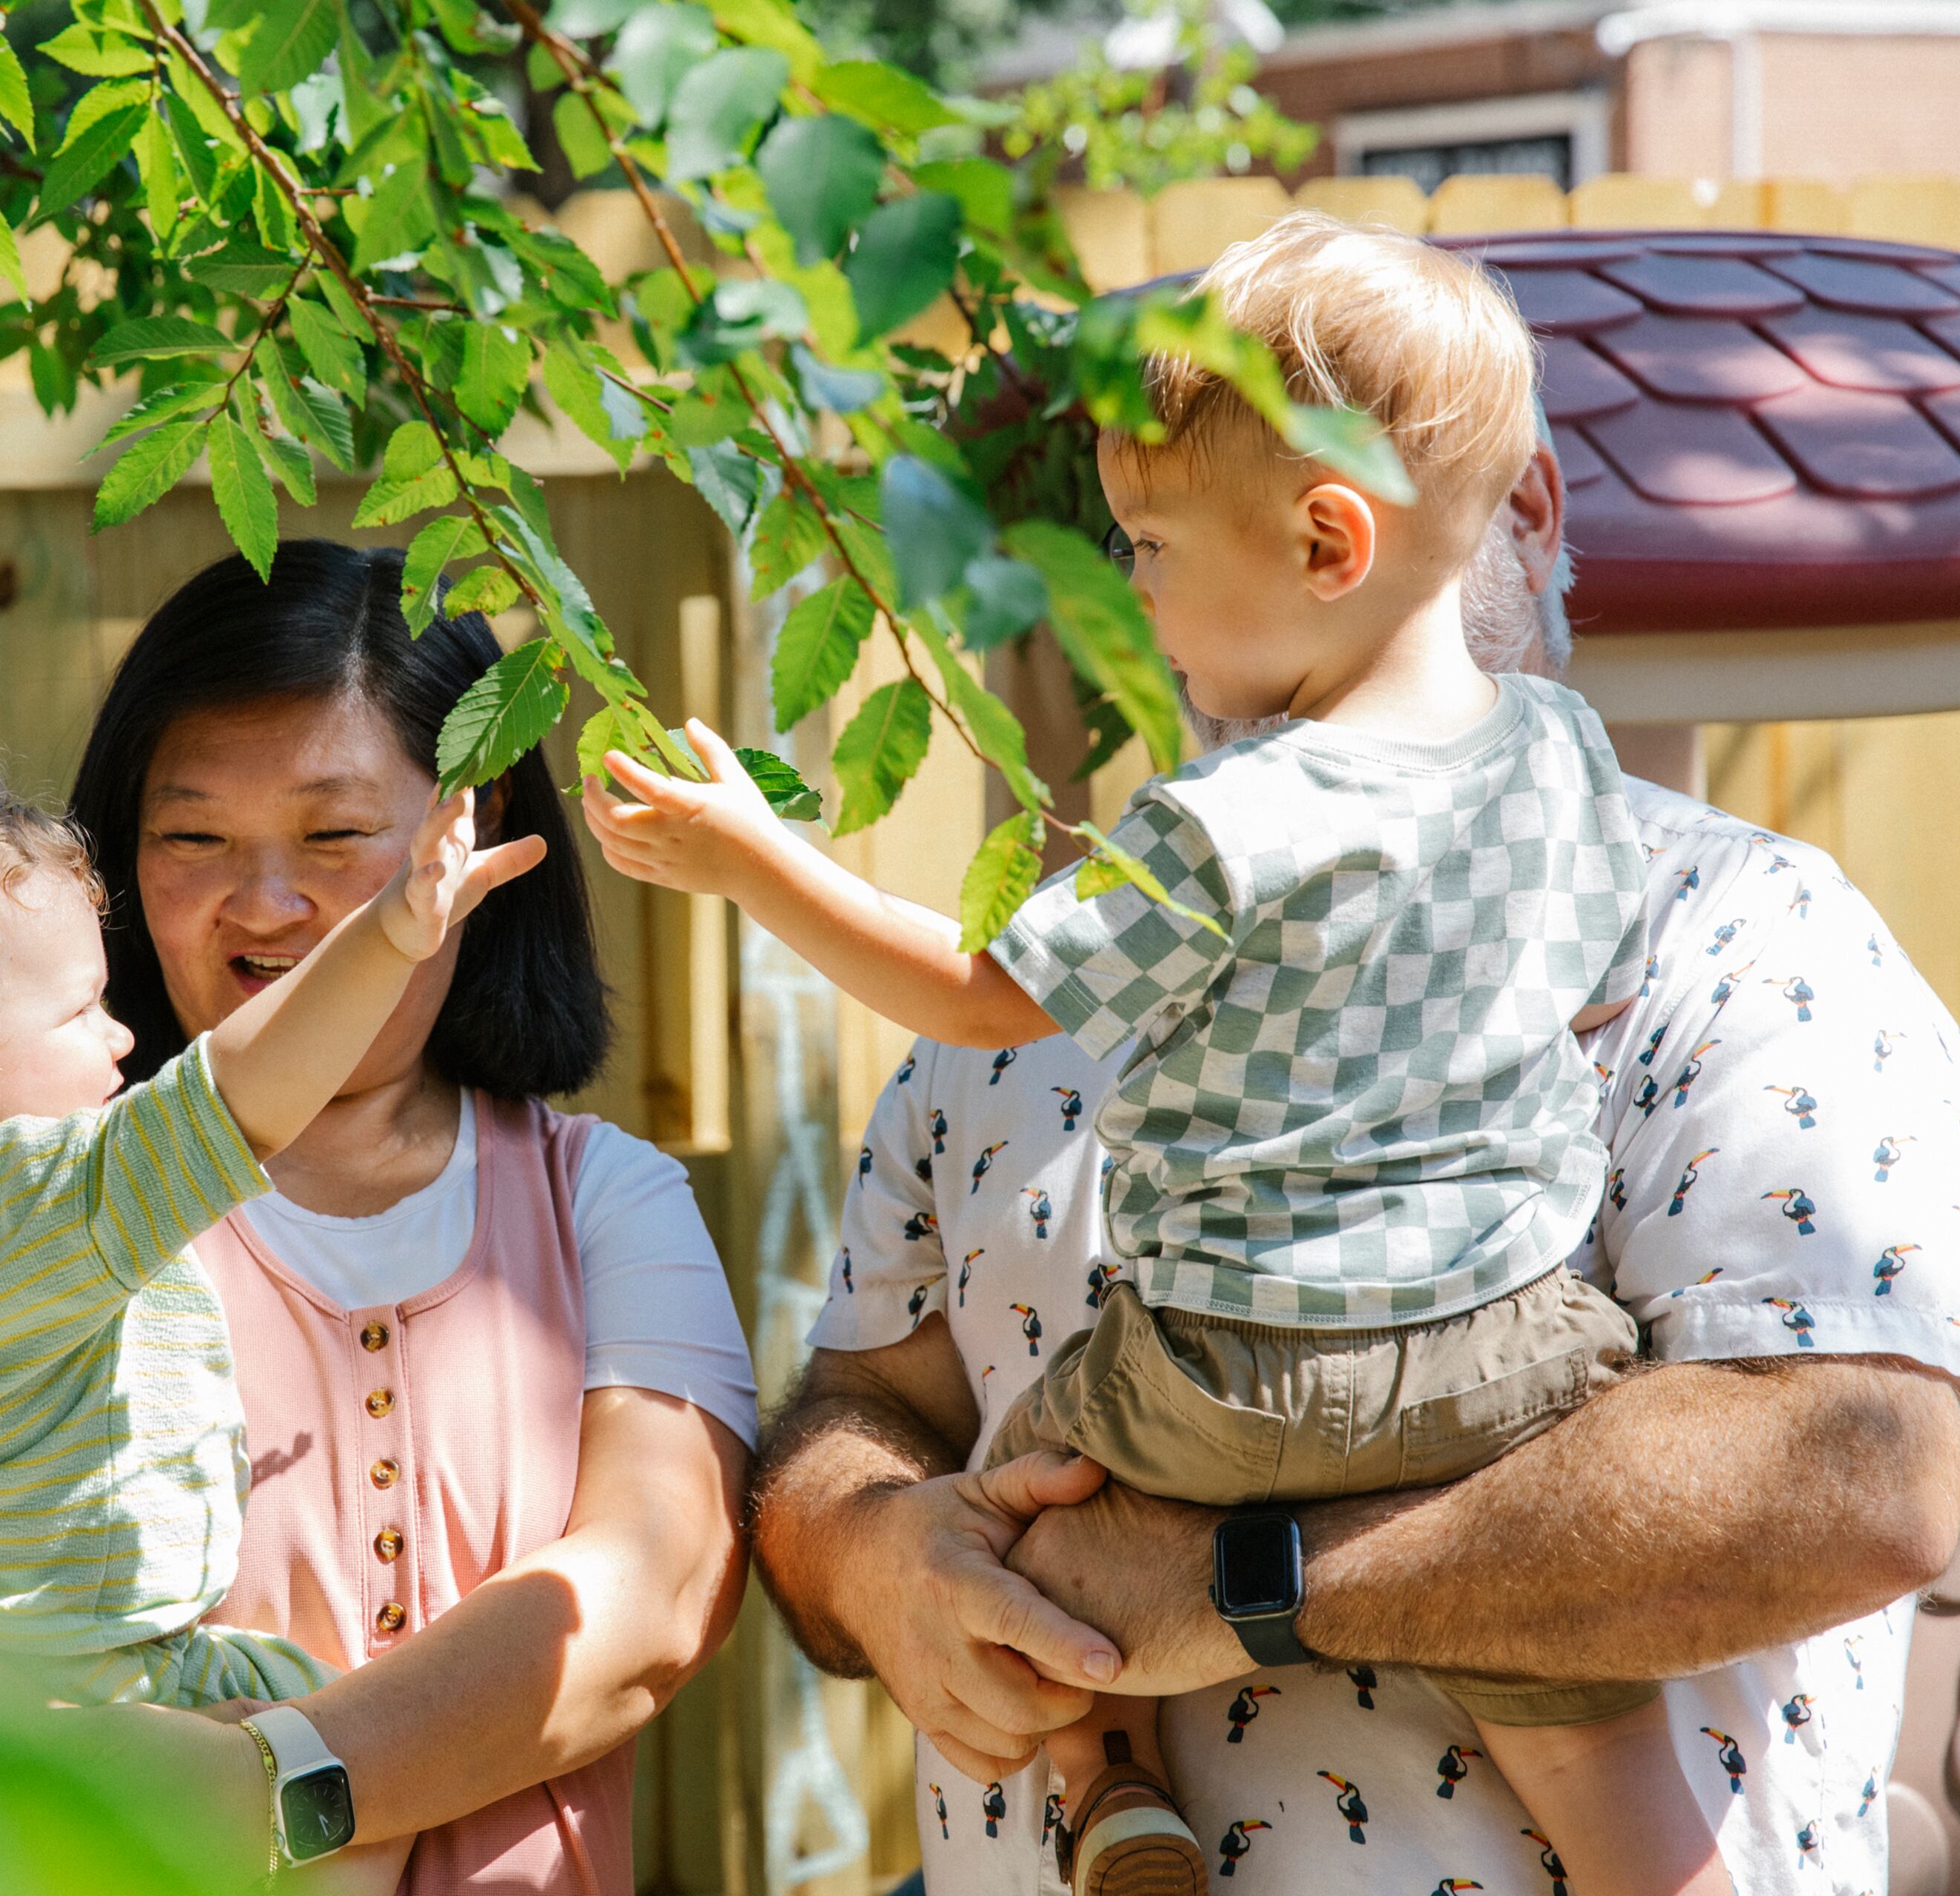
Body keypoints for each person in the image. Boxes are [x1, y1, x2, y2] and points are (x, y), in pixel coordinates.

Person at [743, 418, 1960, 1892]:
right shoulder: (1056, 984)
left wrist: (1239, 1587)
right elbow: (858, 1401)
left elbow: (1860, 1473)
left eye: (1330, 522)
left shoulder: (1740, 936)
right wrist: (871, 1552)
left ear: (1525, 512)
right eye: (1172, 538)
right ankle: (1111, 1780)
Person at [588, 215, 1705, 1895]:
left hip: (1231, 1366)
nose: (1139, 594)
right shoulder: (1562, 752)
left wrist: (756, 859)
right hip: (1509, 1354)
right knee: (1602, 1734)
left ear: (1328, 543)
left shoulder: (1230, 814)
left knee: (1010, 1525)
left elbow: (978, 992)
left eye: (1154, 545)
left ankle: (1113, 1786)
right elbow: (1595, 984)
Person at [0, 541, 756, 1894]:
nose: (266, 902)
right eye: (192, 837)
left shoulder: (604, 1200)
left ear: (473, 848)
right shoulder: (23, 1198)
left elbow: (654, 1591)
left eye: (339, 835)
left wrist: (273, 1786)